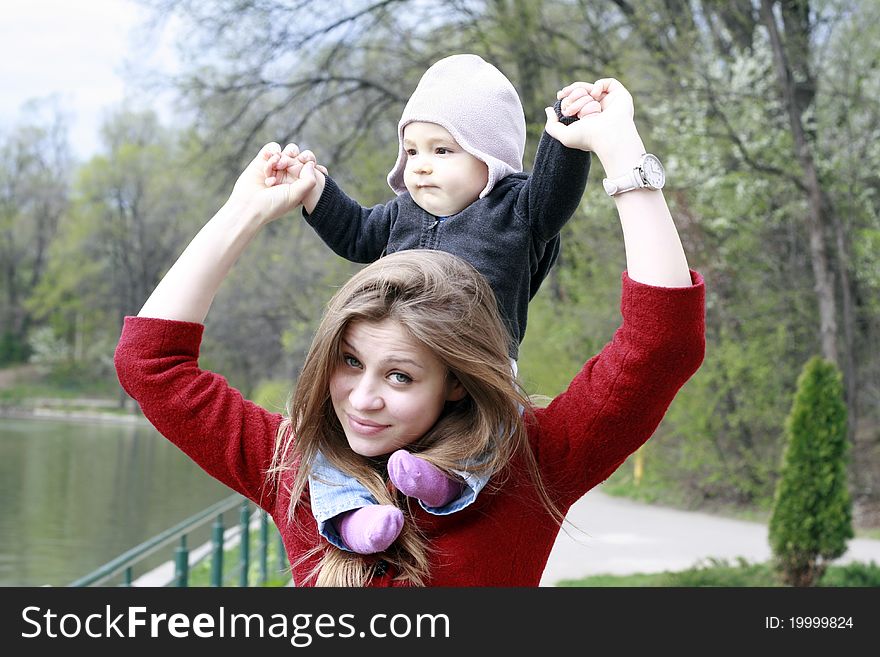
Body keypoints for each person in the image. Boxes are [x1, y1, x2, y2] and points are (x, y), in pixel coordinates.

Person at [114, 77, 705, 587]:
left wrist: (622, 151)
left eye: (399, 375)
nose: (363, 399)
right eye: (348, 362)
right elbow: (149, 364)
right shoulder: (293, 469)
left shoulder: (529, 468)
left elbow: (661, 346)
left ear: (454, 382)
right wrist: (244, 211)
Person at [263, 54, 602, 555]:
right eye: (412, 149)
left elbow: (555, 194)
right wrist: (316, 192)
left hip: (477, 365)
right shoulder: (402, 213)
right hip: (398, 359)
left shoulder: (518, 213)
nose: (421, 164)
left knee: (490, 429)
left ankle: (445, 482)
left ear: (490, 157)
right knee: (324, 430)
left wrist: (565, 131)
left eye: (443, 150)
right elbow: (354, 232)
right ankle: (351, 514)